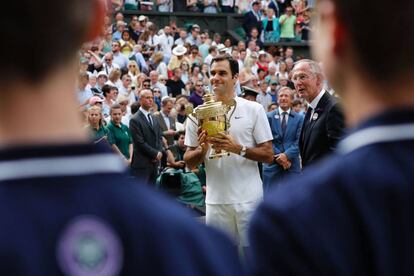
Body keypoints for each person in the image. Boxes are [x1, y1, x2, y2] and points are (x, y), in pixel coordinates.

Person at [249, 0, 414, 274]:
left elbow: (339, 151)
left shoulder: (286, 220)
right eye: (293, 79)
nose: (296, 84)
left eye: (302, 77)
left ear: (335, 33)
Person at [184, 55, 274, 249]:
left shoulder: (254, 109)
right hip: (216, 201)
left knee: (253, 260)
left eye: (222, 73)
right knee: (222, 261)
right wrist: (203, 148)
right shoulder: (197, 115)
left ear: (235, 78)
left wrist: (237, 149)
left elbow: (268, 155)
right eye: (213, 73)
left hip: (249, 200)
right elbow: (189, 162)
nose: (216, 77)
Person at [292, 59, 345, 168]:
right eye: (295, 78)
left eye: (302, 77)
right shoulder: (311, 109)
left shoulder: (334, 108)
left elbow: (339, 155)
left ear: (318, 79)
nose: (298, 82)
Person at [262, 87, 304, 191]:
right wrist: (280, 158)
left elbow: (299, 141)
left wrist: (286, 155)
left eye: (286, 96)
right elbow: (266, 140)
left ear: (292, 100)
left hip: (291, 164)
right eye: (281, 96)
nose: (283, 98)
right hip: (272, 164)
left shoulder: (299, 118)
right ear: (277, 99)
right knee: (270, 199)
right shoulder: (268, 117)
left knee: (294, 199)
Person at [129, 89, 164, 185]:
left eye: (152, 98)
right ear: (140, 100)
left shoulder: (154, 117)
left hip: (154, 164)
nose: (151, 100)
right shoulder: (135, 119)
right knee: (140, 196)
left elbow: (159, 137)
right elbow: (139, 142)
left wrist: (159, 152)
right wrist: (155, 154)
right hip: (142, 164)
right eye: (147, 98)